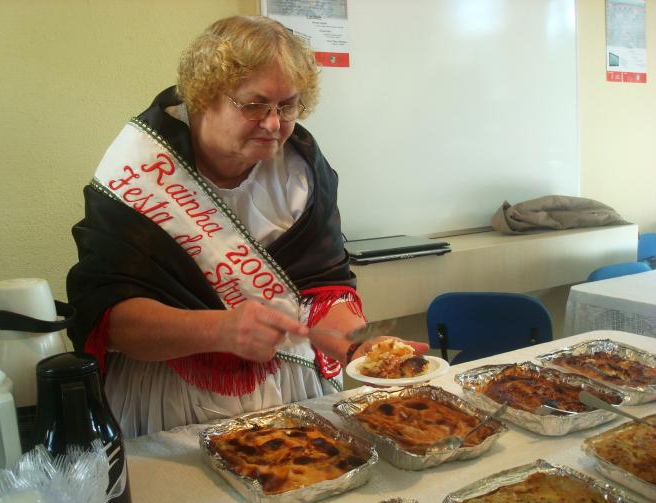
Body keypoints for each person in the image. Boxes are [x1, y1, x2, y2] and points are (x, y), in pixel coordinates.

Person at [67, 15, 427, 438]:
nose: (274, 124)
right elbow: (111, 320)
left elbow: (325, 285)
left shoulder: (302, 172)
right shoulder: (139, 172)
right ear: (204, 95)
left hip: (292, 390)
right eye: (254, 105)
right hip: (171, 400)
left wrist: (357, 345)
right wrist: (218, 329)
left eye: (288, 105)